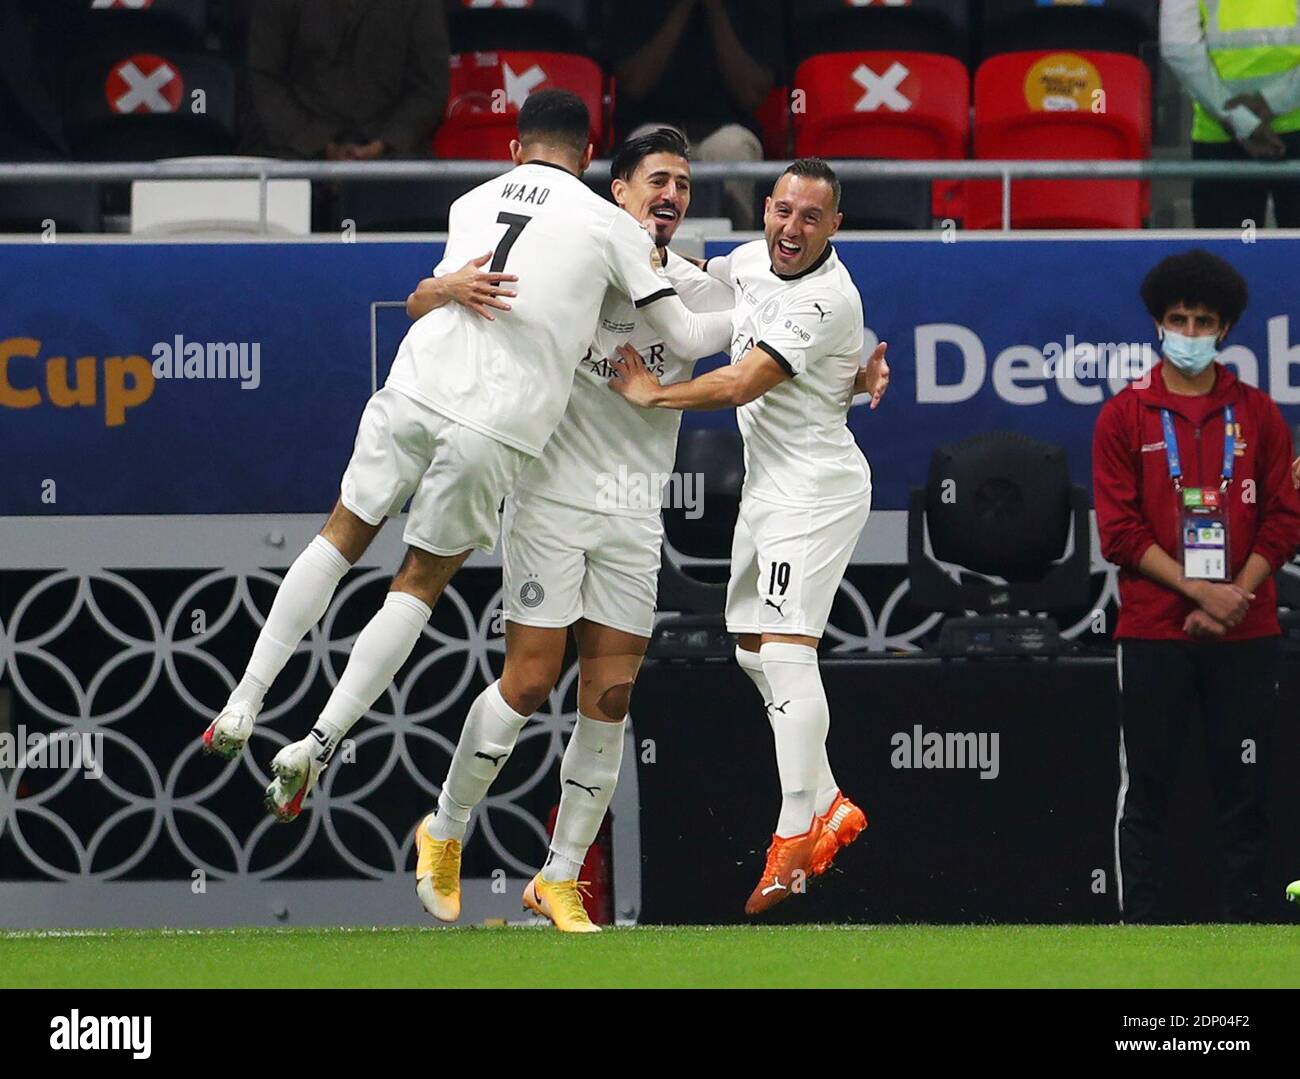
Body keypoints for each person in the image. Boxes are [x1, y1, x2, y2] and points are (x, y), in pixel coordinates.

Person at [200, 90, 732, 832]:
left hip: (418, 384)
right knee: (416, 584)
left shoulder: (470, 201)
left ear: (514, 149)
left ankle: (243, 700)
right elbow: (683, 329)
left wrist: (440, 287)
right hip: (496, 420)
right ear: (588, 161)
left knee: (339, 534)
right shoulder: (607, 224)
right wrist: (769, 316)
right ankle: (320, 742)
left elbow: (427, 296)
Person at [407, 128, 734, 933]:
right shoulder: (569, 265)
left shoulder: (696, 284)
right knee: (528, 678)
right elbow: (442, 305)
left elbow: (767, 335)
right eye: (658, 179)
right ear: (615, 193)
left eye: (685, 185)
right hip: (550, 495)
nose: (673, 195)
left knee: (611, 695)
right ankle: (444, 830)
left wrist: (857, 368)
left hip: (633, 510)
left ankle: (558, 878)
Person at [611, 158, 891, 915]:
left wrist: (654, 393)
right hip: (768, 489)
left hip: (815, 490)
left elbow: (740, 381)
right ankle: (830, 798)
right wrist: (649, 244)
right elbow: (711, 272)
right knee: (750, 646)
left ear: (835, 226)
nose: (793, 228)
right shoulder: (748, 260)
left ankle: (795, 828)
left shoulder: (828, 299)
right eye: (784, 211)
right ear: (766, 208)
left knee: (788, 648)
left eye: (811, 218)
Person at [1093, 249, 1300, 922]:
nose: (1189, 330)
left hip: (1248, 629)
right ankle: (1139, 936)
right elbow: (1119, 531)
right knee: (1146, 792)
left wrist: (1234, 592)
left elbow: (1285, 516)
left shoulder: (1260, 415)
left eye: (1203, 319)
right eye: (1178, 318)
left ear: (1226, 329)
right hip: (1153, 631)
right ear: (1158, 323)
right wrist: (1200, 590)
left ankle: (1249, 933)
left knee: (1246, 790)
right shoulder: (1123, 415)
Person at [609, 0, 782, 227]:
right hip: (657, 125)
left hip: (723, 129)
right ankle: (642, 246)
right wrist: (681, 9)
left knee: (733, 146)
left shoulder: (750, 10)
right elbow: (634, 83)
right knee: (650, 142)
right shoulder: (639, 8)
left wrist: (716, 12)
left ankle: (737, 251)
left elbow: (751, 93)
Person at [243, 0, 450, 160]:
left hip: (394, 156)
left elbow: (430, 87)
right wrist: (318, 141)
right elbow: (263, 78)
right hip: (295, 151)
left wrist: (384, 143)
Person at [1161, 0, 1300, 226]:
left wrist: (1240, 119)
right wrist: (1272, 102)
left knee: (1228, 256)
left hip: (1222, 132)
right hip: (1289, 121)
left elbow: (1179, 48)